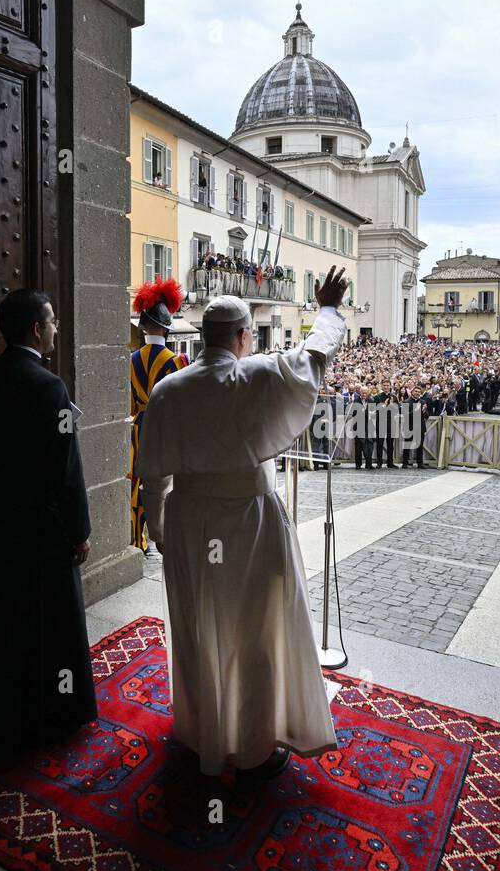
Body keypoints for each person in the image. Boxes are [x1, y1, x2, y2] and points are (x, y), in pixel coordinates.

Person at [133, 268, 351, 785]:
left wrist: (162, 534)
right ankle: (253, 750)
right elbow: (315, 356)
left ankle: (201, 732)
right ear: (241, 338)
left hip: (188, 522)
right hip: (249, 524)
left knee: (197, 626)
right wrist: (326, 308)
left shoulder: (168, 390)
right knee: (255, 630)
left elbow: (153, 476)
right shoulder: (256, 375)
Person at [0, 288, 97, 752]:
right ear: (36, 329)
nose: (57, 327)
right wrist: (79, 531)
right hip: (45, 525)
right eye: (53, 320)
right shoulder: (50, 387)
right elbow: (67, 468)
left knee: (9, 614)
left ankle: (11, 707)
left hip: (3, 517)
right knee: (50, 617)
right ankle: (57, 709)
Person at [128, 278, 189, 552]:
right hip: (162, 431)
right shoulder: (176, 361)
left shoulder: (130, 359)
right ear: (166, 329)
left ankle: (135, 537)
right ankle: (160, 536)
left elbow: (129, 405)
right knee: (161, 488)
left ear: (142, 327)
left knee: (134, 486)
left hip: (137, 429)